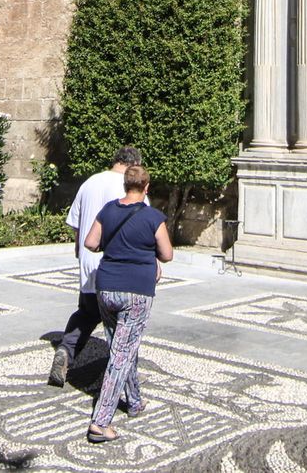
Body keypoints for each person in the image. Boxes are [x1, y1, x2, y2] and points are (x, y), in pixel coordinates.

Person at [82, 164, 174, 443]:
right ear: (146, 188)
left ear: (125, 185)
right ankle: (100, 422)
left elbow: (90, 242)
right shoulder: (153, 216)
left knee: (121, 347)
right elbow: (167, 254)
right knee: (121, 354)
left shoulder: (109, 210)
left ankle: (134, 401)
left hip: (106, 288)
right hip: (136, 291)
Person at [48, 145, 142, 387]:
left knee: (87, 312)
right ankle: (121, 377)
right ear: (133, 166)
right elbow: (144, 227)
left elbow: (77, 223)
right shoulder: (132, 188)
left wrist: (80, 250)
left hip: (89, 261)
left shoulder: (89, 182)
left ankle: (66, 351)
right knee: (122, 321)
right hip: (117, 266)